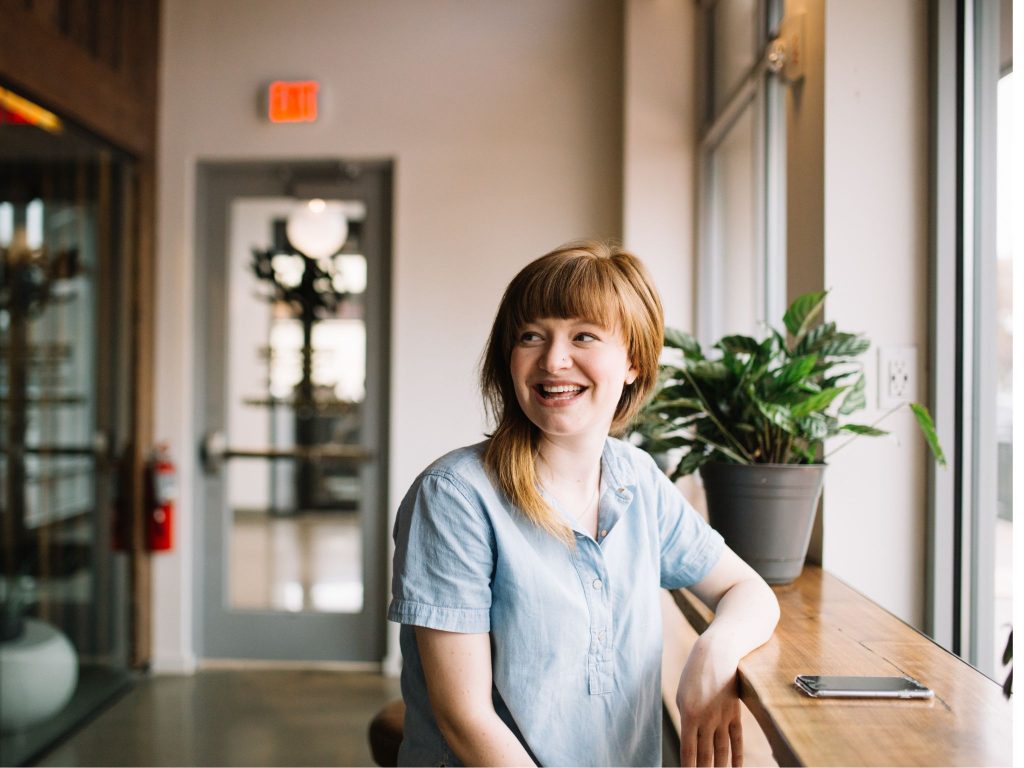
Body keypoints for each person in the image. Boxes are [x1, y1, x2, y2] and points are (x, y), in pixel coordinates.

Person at [388, 241, 780, 767]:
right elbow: (466, 720)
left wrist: (714, 652)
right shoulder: (454, 496)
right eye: (531, 336)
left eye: (583, 336)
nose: (553, 360)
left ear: (634, 363)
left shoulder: (636, 478)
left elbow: (747, 589)